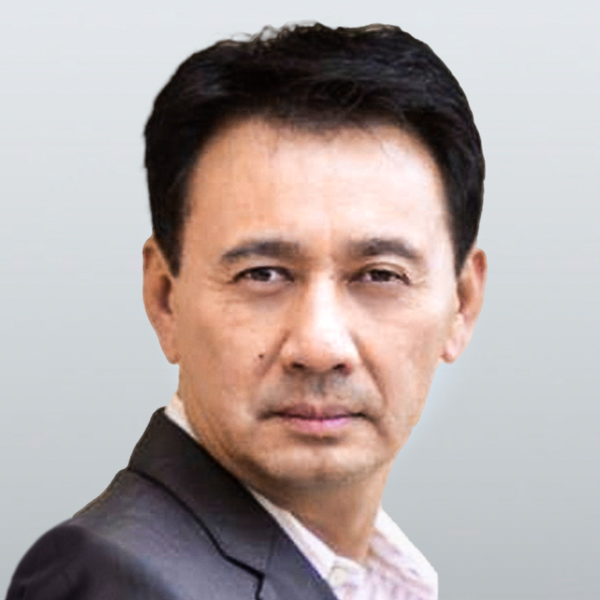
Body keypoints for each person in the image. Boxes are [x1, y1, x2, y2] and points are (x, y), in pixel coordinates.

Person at [6, 22, 487, 600]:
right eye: (263, 274)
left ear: (462, 303)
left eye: (379, 275)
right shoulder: (113, 580)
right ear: (164, 297)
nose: (320, 346)